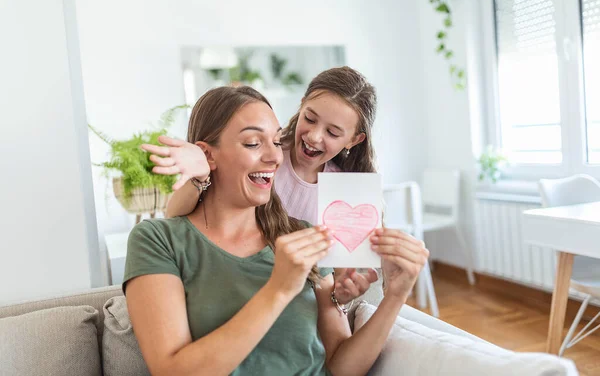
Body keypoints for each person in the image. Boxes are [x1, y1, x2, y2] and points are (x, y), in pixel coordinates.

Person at [124, 85, 429, 375]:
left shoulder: (303, 236)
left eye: (276, 140)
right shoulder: (157, 240)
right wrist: (280, 288)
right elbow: (171, 371)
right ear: (207, 155)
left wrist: (396, 294)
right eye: (253, 143)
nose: (274, 157)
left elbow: (342, 367)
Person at [143, 66, 380, 305]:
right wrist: (201, 173)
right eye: (309, 118)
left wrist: (340, 294)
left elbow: (336, 281)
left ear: (354, 139)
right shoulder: (261, 159)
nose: (314, 136)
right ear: (301, 105)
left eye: (332, 132)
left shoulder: (348, 190)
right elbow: (175, 218)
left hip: (298, 299)